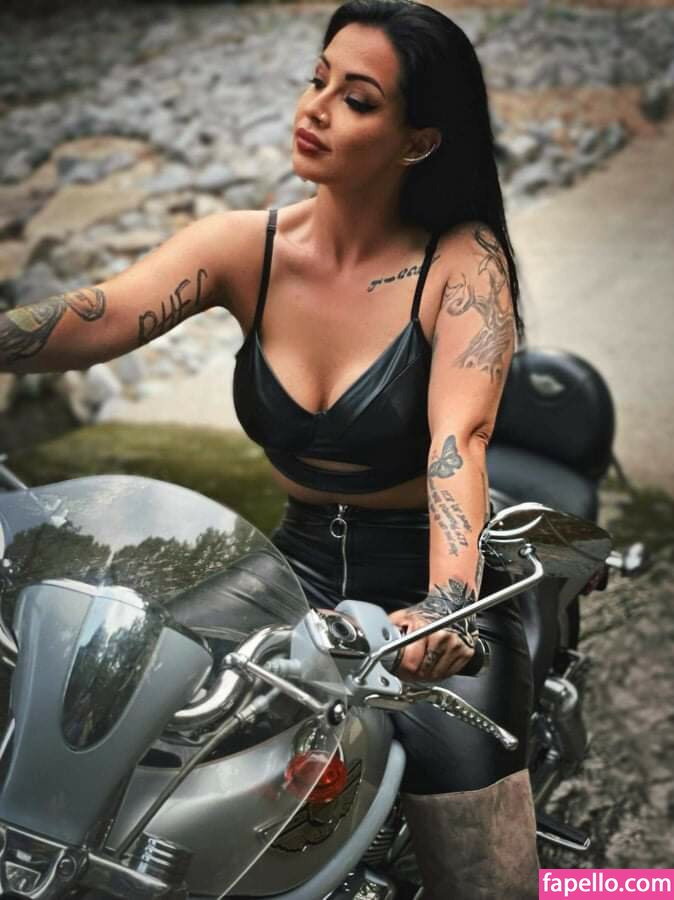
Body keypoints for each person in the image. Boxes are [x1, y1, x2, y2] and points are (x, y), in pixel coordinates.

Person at [0, 1, 539, 896]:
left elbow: (460, 440)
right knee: (112, 706)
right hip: (290, 564)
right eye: (317, 79)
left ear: (417, 141)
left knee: (481, 867)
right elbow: (95, 319)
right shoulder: (244, 246)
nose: (315, 107)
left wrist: (446, 606)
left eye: (357, 98)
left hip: (425, 579)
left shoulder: (462, 262)